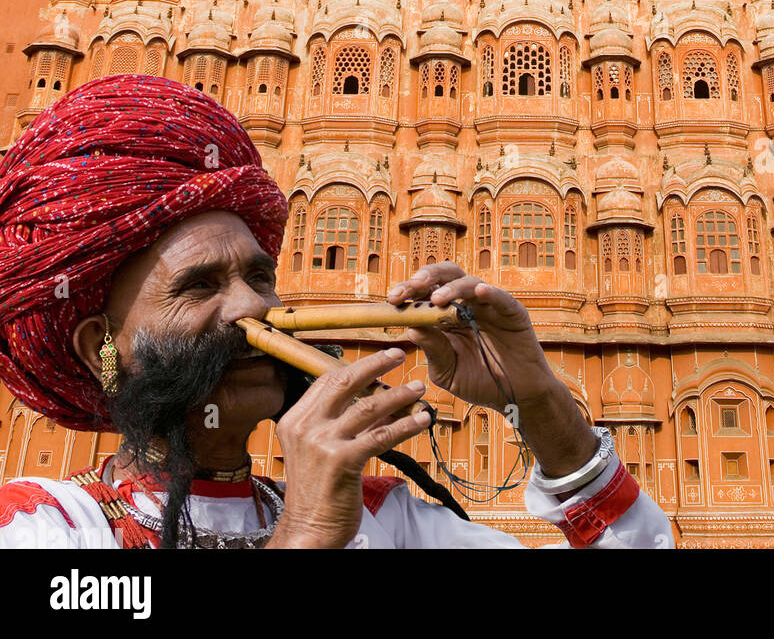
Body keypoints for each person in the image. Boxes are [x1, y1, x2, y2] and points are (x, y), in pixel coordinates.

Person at [0, 74, 673, 549]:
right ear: (100, 348)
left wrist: (540, 402)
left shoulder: (388, 523)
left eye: (260, 277)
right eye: (200, 287)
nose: (252, 311)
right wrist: (304, 537)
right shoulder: (45, 527)